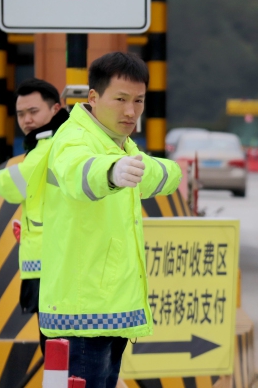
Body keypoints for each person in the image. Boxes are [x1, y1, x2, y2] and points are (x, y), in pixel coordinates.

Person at [37, 52, 182, 388]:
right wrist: (112, 172)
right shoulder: (73, 138)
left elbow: (164, 176)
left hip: (108, 312)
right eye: (120, 99)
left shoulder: (120, 146)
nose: (130, 111)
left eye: (138, 100)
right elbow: (80, 170)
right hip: (81, 316)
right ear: (93, 97)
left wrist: (150, 168)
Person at [0, 78, 69, 355]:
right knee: (69, 355)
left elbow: (15, 183)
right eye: (21, 114)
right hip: (55, 264)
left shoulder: (49, 144)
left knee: (58, 354)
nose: (27, 120)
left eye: (33, 111)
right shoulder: (51, 142)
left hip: (51, 269)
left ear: (55, 109)